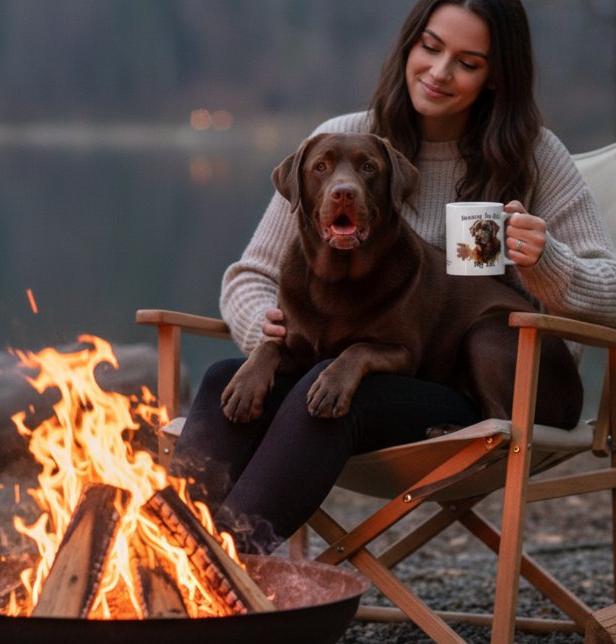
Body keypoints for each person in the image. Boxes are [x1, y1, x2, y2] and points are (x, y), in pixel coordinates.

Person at [172, 0, 616, 554]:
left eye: (467, 61)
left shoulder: (533, 154)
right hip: (356, 372)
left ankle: (217, 563)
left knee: (327, 393)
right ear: (409, 46)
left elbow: (610, 290)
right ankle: (173, 545)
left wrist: (546, 260)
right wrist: (266, 338)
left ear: (497, 75)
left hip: (490, 396)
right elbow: (249, 276)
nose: (438, 71)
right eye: (429, 47)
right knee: (220, 379)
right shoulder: (343, 140)